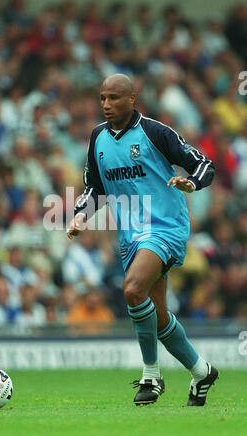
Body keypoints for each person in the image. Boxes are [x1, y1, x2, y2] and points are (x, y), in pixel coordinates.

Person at [67, 73, 218, 406]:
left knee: (133, 289)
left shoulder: (155, 131)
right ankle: (201, 371)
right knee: (159, 316)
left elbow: (203, 164)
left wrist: (191, 183)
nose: (107, 104)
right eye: (103, 98)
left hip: (166, 226)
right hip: (130, 234)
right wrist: (80, 214)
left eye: (114, 98)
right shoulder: (97, 138)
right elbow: (95, 187)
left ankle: (151, 375)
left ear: (132, 99)